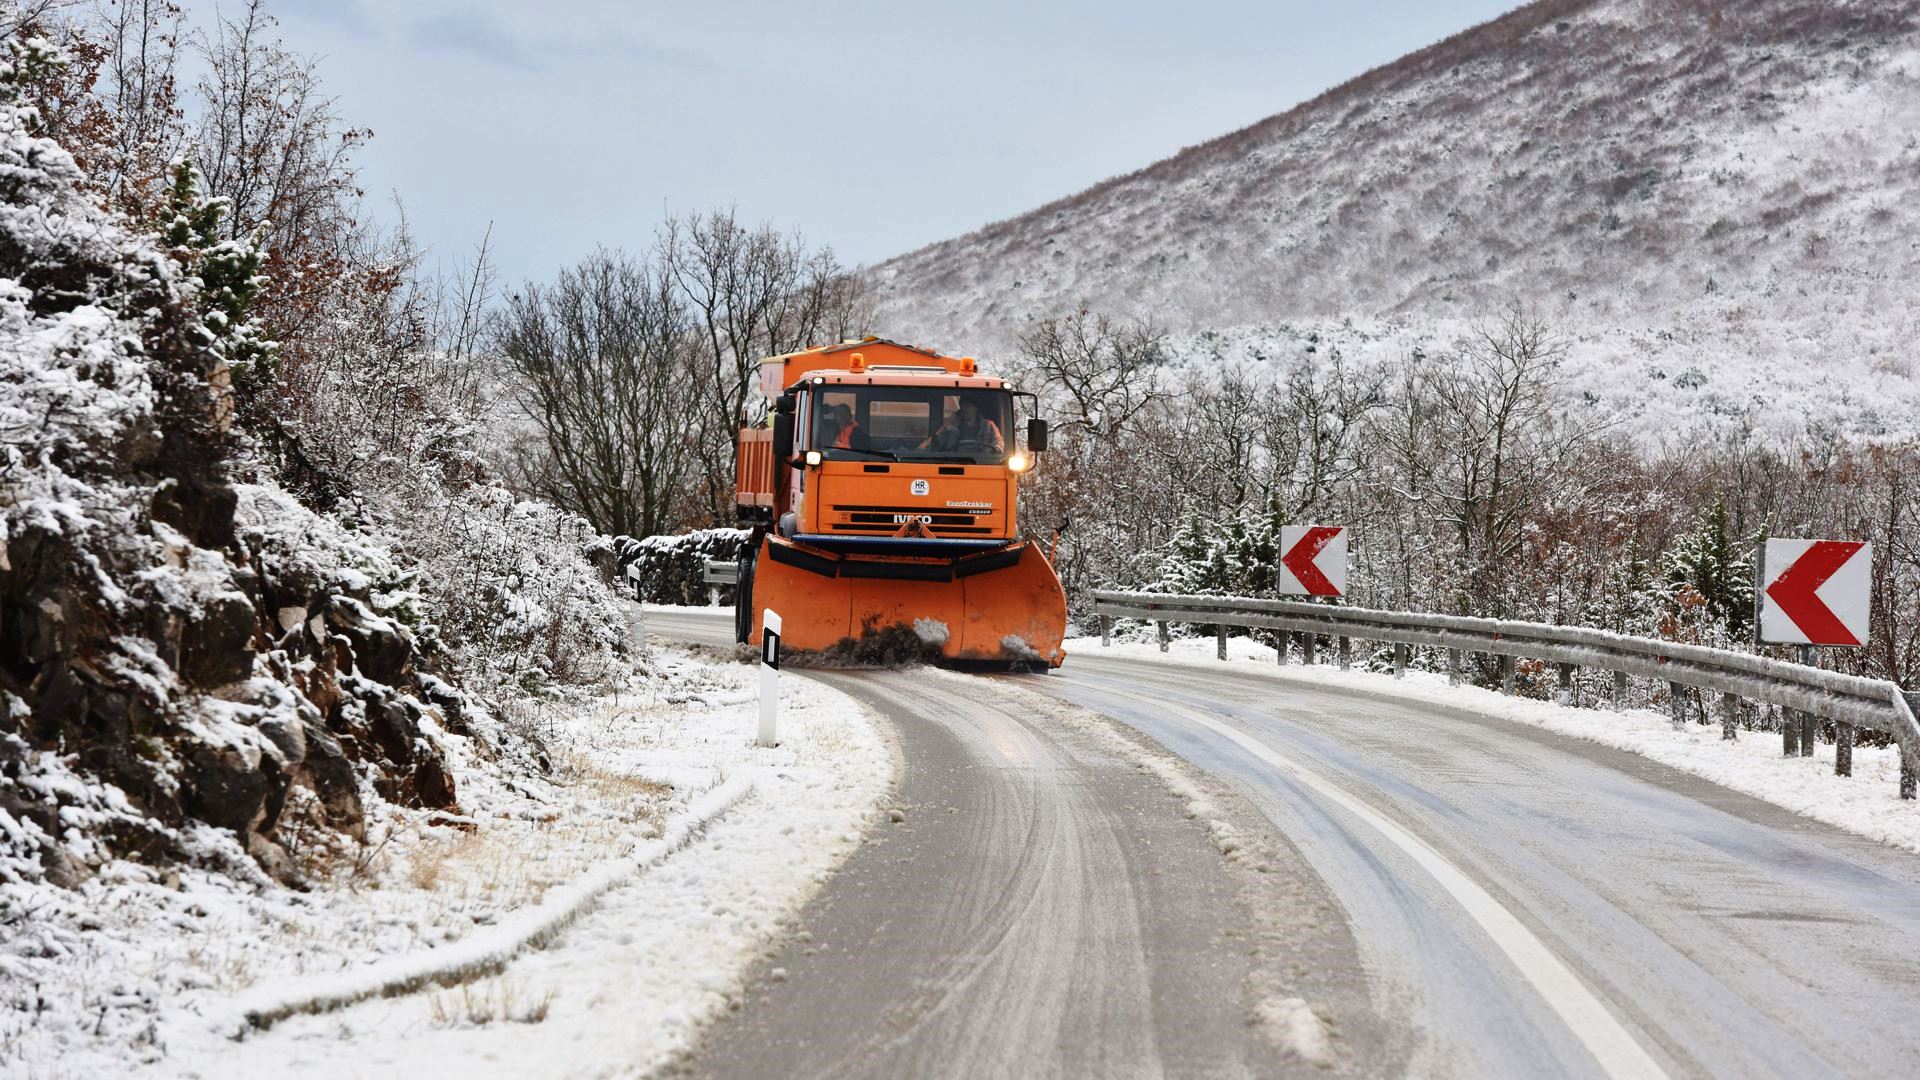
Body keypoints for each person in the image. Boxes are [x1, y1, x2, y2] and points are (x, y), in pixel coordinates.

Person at [924, 396, 1003, 453]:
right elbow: (935, 442)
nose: (964, 410)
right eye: (962, 406)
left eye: (968, 407)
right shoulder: (950, 425)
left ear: (976, 408)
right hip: (955, 461)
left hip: (983, 462)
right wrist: (919, 450)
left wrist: (997, 449)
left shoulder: (989, 425)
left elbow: (999, 442)